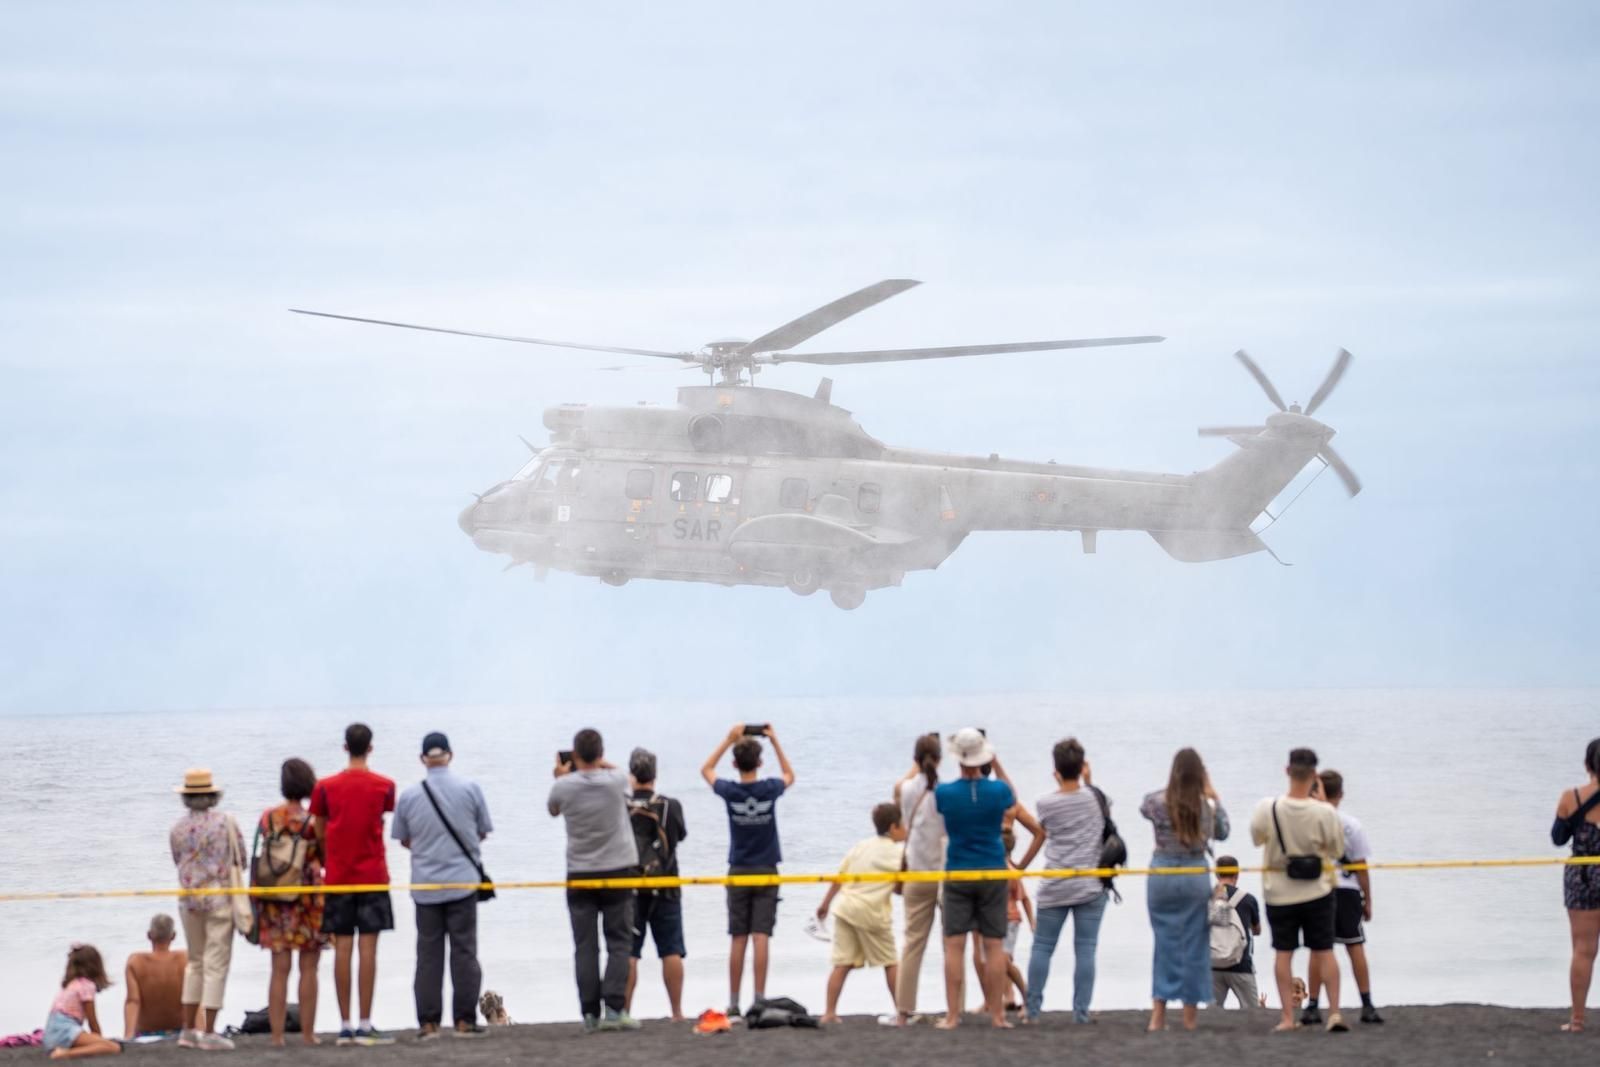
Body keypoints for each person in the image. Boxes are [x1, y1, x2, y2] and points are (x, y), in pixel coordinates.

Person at [393, 732, 493, 1039]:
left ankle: (428, 1024)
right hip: (463, 884)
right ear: (450, 754)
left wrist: (427, 852)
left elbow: (404, 838)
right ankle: (464, 1021)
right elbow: (482, 831)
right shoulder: (470, 789)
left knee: (428, 956)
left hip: (425, 886)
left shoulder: (409, 796)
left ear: (423, 759)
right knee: (464, 952)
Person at [934, 728, 1031, 1030]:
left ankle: (952, 1016)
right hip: (992, 868)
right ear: (982, 756)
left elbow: (939, 812)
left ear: (958, 758)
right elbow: (1012, 796)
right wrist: (996, 762)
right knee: (994, 945)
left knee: (954, 946)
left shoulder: (946, 793)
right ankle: (998, 1016)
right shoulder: (997, 792)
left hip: (959, 869)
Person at [700, 723, 796, 1018]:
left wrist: (727, 739)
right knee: (760, 935)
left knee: (738, 937)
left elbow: (706, 770)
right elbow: (790, 776)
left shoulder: (731, 791)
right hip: (766, 868)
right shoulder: (768, 789)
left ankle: (733, 1001)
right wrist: (776, 740)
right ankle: (758, 997)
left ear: (734, 763)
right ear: (760, 762)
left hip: (739, 868)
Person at [1250, 747, 1348, 1034]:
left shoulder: (1267, 808)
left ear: (1287, 770)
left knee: (1284, 953)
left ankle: (1287, 1018)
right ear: (1314, 775)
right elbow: (1337, 849)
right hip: (1318, 890)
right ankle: (1334, 1013)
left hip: (1280, 892)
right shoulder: (1325, 812)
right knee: (1324, 950)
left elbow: (1257, 838)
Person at [311, 723, 397, 1046]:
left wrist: (328, 856)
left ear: (345, 747)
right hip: (373, 875)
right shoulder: (384, 786)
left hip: (339, 877)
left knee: (342, 949)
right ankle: (365, 1021)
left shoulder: (325, 787)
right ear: (370, 748)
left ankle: (345, 1024)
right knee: (369, 950)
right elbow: (383, 817)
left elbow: (319, 829)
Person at [550, 728, 641, 1032]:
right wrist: (601, 763)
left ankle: (590, 1013)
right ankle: (614, 1008)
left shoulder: (564, 786)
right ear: (601, 754)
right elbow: (628, 778)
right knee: (619, 941)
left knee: (585, 946)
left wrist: (563, 774)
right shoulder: (615, 781)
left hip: (580, 872)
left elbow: (553, 809)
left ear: (575, 755)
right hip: (617, 869)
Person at [1015, 737, 1109, 1025]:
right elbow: (1105, 820)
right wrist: (1089, 781)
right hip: (1090, 885)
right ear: (1082, 766)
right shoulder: (1096, 797)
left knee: (1043, 947)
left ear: (1056, 769)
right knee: (1086, 949)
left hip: (1055, 884)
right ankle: (1080, 1012)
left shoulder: (1045, 803)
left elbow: (1046, 828)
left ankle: (1032, 1010)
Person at [1139, 747, 1229, 1032]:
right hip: (1193, 874)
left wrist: (1173, 786)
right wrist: (1213, 794)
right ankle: (1189, 1018)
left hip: (1162, 873)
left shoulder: (1157, 801)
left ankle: (1158, 1016)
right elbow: (1223, 832)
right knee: (1194, 945)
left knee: (1163, 943)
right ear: (1201, 775)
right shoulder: (1206, 805)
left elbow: (1143, 807)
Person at [253, 758, 328, 1047]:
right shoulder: (312, 821)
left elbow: (260, 855)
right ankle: (308, 1034)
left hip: (276, 900)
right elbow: (324, 855)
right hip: (307, 900)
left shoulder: (268, 817)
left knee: (278, 969)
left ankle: (276, 1036)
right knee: (309, 968)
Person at [169, 767, 244, 1051]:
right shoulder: (225, 823)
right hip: (219, 898)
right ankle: (210, 1030)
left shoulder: (176, 828)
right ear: (212, 796)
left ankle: (188, 1029)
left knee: (194, 962)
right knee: (216, 963)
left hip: (189, 899)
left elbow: (177, 860)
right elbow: (241, 857)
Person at [815, 802, 907, 1023]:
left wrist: (825, 904)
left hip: (845, 908)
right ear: (893, 827)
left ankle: (829, 1012)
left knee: (842, 962)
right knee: (890, 960)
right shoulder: (897, 852)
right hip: (870, 911)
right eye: (903, 825)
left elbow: (841, 876)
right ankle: (902, 1012)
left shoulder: (861, 846)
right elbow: (901, 888)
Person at [1305, 770, 1382, 1025]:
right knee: (1354, 944)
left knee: (1319, 948)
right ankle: (1367, 1003)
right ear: (1341, 794)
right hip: (1347, 888)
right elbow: (1361, 867)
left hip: (1319, 888)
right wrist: (1367, 899)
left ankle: (1313, 1005)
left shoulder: (1310, 822)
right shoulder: (1351, 825)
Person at [623, 748, 689, 1022]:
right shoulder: (669, 806)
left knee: (629, 951)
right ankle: (676, 1012)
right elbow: (680, 836)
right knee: (671, 949)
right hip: (666, 883)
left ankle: (623, 1011)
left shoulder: (622, 806)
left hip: (631, 886)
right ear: (655, 775)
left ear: (631, 775)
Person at [892, 732, 949, 1025]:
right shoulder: (947, 791)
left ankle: (903, 1012)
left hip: (916, 871)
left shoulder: (905, 789)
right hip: (943, 872)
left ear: (915, 760)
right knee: (951, 943)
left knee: (912, 944)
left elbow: (899, 787)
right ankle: (955, 1009)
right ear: (939, 760)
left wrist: (917, 764)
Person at [1552, 737, 1600, 1034]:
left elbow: (1558, 838)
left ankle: (1578, 1020)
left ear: (1587, 765)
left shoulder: (1571, 797)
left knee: (1583, 950)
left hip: (1582, 874)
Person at [42, 945, 120, 1060]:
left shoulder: (71, 984)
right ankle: (65, 1054)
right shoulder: (87, 986)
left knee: (100, 1044)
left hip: (51, 1034)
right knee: (113, 1047)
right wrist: (100, 1039)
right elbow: (92, 1021)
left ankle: (65, 1051)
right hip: (65, 1030)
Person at [1209, 855, 1262, 1010]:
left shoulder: (1207, 898)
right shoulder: (1248, 899)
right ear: (1237, 874)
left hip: (1213, 964)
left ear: (1217, 874)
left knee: (1211, 1014)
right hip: (1241, 964)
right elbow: (1257, 930)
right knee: (1252, 1012)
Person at [122, 915, 186, 1040]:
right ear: (173, 936)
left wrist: (128, 1037)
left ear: (149, 935)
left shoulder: (135, 962)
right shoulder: (184, 960)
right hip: (180, 1030)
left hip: (146, 1032)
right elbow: (194, 998)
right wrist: (201, 1030)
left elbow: (133, 1001)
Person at [998, 831, 1035, 1012]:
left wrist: (1032, 922)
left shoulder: (1010, 872)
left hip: (1010, 920)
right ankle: (995, 1000)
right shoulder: (991, 868)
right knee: (995, 963)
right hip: (993, 920)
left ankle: (1027, 996)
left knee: (1004, 961)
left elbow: (1025, 899)